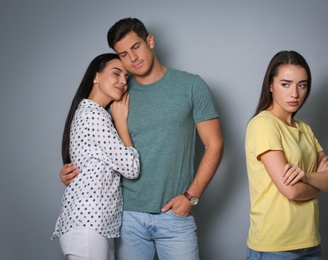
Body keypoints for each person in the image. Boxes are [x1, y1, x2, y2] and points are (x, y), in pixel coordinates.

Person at [60, 18, 224, 260]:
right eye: (123, 54)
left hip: (174, 216)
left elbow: (215, 144)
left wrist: (191, 196)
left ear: (150, 41)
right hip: (126, 217)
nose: (132, 58)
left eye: (135, 47)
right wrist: (73, 171)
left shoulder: (191, 86)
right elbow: (94, 144)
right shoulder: (117, 93)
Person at [245, 50, 328, 259]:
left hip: (310, 243)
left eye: (302, 85)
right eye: (285, 84)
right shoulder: (263, 125)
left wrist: (306, 177)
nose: (295, 94)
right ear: (270, 85)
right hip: (275, 247)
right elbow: (292, 191)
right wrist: (319, 181)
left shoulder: (304, 129)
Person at [52, 53, 140, 260]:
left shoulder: (94, 112)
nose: (122, 81)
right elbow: (131, 167)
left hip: (96, 225)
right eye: (116, 73)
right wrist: (121, 122)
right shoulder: (93, 115)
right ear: (95, 76)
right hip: (87, 226)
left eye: (126, 77)